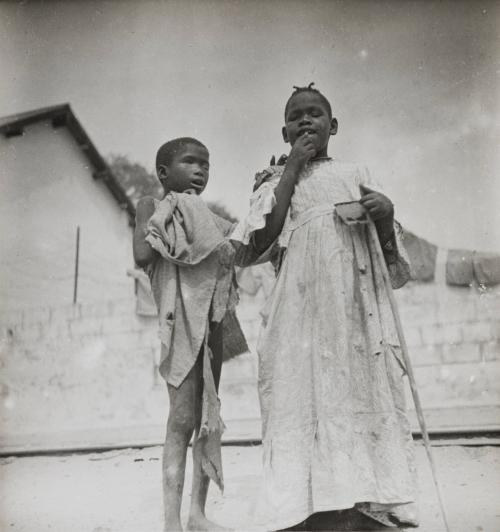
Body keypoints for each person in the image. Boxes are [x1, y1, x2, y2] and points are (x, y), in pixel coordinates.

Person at [231, 84, 418, 530]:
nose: (306, 121)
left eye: (315, 114)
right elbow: (258, 241)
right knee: (300, 393)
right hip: (300, 308)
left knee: (359, 390)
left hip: (354, 308)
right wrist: (292, 168)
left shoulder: (356, 172)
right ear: (284, 132)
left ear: (333, 126)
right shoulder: (275, 181)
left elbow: (391, 259)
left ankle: (367, 500)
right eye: (296, 116)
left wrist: (386, 215)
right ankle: (304, 507)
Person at [133, 137, 247, 532]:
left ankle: (197, 514)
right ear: (164, 172)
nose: (201, 170)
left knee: (207, 420)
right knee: (181, 420)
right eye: (191, 162)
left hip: (211, 328)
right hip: (179, 326)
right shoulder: (154, 206)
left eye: (206, 164)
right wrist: (150, 210)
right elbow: (143, 257)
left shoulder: (210, 219)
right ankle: (171, 522)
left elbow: (239, 249)